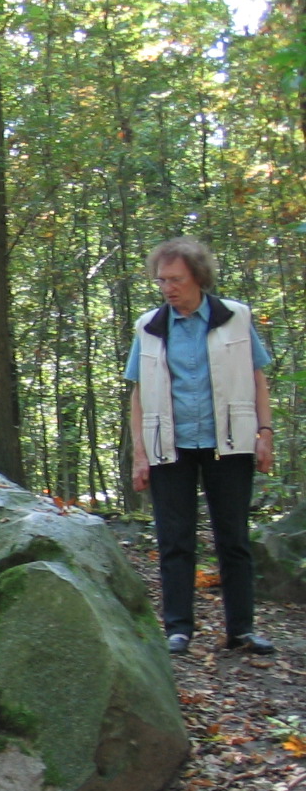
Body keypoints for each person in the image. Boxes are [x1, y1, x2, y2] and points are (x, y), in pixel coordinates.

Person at [126, 237, 275, 656]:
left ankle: (241, 630)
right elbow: (138, 392)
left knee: (233, 538)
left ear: (198, 278)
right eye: (162, 280)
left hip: (230, 444)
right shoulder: (150, 326)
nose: (168, 288)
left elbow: (257, 377)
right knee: (175, 539)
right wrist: (140, 453)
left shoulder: (235, 318)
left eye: (176, 279)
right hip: (169, 447)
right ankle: (178, 629)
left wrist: (266, 432)